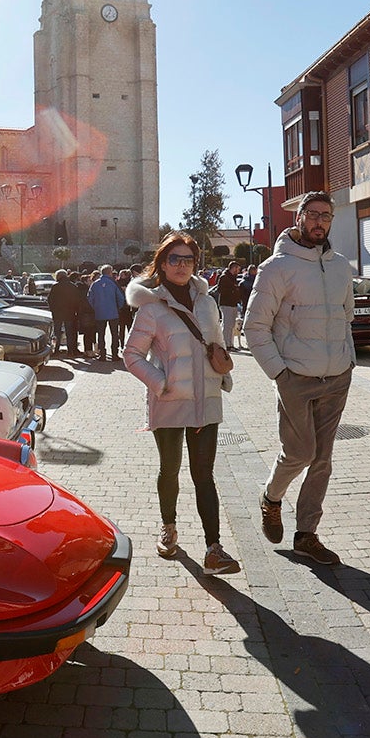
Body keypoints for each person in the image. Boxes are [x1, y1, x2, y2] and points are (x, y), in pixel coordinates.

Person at [243, 191, 355, 566]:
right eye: (313, 214)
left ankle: (307, 534)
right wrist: (280, 373)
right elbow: (254, 326)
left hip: (337, 376)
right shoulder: (276, 267)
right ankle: (272, 497)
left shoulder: (341, 266)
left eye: (326, 215)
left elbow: (346, 317)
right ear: (299, 218)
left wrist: (349, 360)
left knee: (323, 459)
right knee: (300, 453)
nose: (319, 221)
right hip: (295, 377)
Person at [123, 231, 239, 575]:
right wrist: (162, 384)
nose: (181, 266)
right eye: (174, 258)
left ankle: (213, 547)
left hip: (206, 400)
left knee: (204, 474)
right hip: (170, 400)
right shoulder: (150, 307)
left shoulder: (207, 302)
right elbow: (131, 355)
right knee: (169, 469)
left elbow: (216, 342)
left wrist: (222, 372)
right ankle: (169, 527)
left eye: (188, 259)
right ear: (161, 263)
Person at [87, 265, 127, 361]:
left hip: (100, 312)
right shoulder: (113, 283)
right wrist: (118, 307)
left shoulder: (95, 284)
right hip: (113, 312)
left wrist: (96, 307)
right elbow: (121, 298)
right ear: (110, 272)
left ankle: (102, 354)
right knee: (114, 334)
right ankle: (114, 354)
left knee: (101, 334)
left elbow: (90, 298)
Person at [47, 269, 82, 354]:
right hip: (70, 312)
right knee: (69, 332)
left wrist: (53, 309)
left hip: (58, 312)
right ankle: (70, 350)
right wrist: (76, 310)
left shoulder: (55, 286)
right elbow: (77, 300)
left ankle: (56, 350)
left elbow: (50, 299)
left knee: (57, 332)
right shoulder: (72, 286)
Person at [215, 261, 243, 351]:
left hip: (233, 303)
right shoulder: (224, 277)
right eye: (237, 269)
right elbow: (220, 290)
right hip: (226, 303)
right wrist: (232, 291)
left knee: (231, 325)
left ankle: (230, 344)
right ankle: (225, 344)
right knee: (226, 325)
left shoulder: (232, 277)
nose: (238, 271)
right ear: (233, 268)